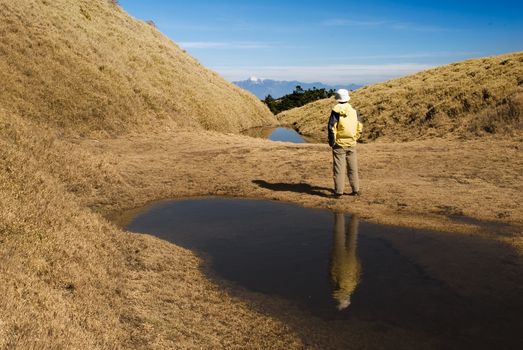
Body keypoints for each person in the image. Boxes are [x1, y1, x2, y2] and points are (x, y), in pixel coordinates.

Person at [327, 89, 363, 197]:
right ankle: (355, 190)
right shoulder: (354, 111)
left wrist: (332, 142)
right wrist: (355, 138)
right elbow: (359, 126)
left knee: (339, 169)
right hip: (351, 143)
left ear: (337, 99)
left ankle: (339, 192)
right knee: (353, 168)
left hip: (339, 144)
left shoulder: (335, 112)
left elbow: (331, 128)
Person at [330, 212, 361, 310]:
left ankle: (355, 216)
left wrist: (358, 262)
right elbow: (332, 271)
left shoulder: (353, 286)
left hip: (352, 262)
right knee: (339, 238)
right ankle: (339, 214)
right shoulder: (336, 286)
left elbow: (358, 272)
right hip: (339, 261)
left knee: (352, 239)